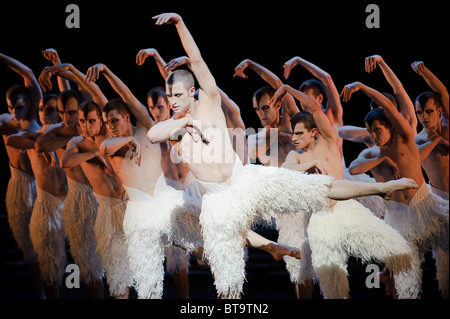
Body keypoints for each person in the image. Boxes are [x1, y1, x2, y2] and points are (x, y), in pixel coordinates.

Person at [148, 12, 418, 299]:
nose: (173, 102)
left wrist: (180, 23)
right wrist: (184, 122)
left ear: (192, 91)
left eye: (178, 96)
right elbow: (154, 134)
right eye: (170, 97)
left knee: (316, 187)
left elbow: (198, 59)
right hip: (218, 201)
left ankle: (381, 188)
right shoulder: (175, 127)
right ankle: (270, 249)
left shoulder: (211, 102)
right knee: (226, 280)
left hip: (245, 181)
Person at [273, 83, 417, 299]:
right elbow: (286, 169)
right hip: (322, 223)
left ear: (313, 132)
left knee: (400, 253)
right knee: (335, 292)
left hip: (348, 212)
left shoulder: (329, 141)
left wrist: (285, 88)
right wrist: (308, 164)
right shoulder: (297, 156)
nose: (294, 138)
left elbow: (313, 106)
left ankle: (387, 277)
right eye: (293, 134)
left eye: (299, 133)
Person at [86, 62, 204, 299]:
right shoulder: (112, 144)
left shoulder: (146, 128)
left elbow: (126, 94)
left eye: (115, 121)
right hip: (140, 213)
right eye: (107, 123)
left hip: (165, 200)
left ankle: (266, 247)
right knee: (149, 282)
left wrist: (107, 71)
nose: (110, 127)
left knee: (204, 248)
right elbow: (105, 147)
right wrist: (127, 142)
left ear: (127, 117)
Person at [343, 80, 449, 299]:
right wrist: (382, 155)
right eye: (371, 132)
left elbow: (395, 101)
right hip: (398, 217)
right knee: (408, 283)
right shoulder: (372, 153)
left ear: (390, 125)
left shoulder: (405, 136)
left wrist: (363, 86)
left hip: (423, 206)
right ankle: (394, 281)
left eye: (378, 130)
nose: (374, 136)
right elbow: (353, 168)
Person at [35, 63, 105, 299]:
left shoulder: (93, 128)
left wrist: (67, 70)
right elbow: (40, 144)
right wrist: (69, 137)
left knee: (117, 266)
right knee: (88, 265)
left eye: (72, 113)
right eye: (63, 113)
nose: (67, 118)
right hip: (80, 202)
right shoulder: (61, 131)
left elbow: (90, 91)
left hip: (104, 198)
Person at [6, 93, 68, 299]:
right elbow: (13, 140)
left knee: (81, 262)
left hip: (70, 203)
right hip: (45, 206)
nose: (43, 113)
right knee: (50, 265)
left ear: (60, 112)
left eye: (49, 109)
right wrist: (36, 138)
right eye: (41, 109)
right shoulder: (33, 135)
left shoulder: (69, 136)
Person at [0, 52, 42, 298]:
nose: (14, 111)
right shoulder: (6, 122)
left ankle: (52, 285)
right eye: (10, 107)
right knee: (28, 246)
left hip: (41, 186)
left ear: (28, 101)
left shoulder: (36, 118)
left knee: (45, 242)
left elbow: (28, 73)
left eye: (18, 106)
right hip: (18, 185)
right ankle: (40, 292)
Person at [411, 61, 449, 200]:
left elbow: (442, 91)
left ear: (439, 110)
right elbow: (414, 160)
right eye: (419, 112)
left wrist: (423, 71)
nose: (423, 117)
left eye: (428, 111)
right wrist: (436, 141)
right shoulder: (418, 140)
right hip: (442, 199)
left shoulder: (447, 125)